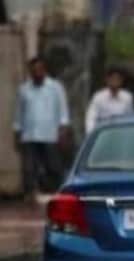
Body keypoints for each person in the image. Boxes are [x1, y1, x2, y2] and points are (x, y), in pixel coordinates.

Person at [12, 56, 70, 201]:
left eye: (39, 69)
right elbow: (19, 112)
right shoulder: (24, 89)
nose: (37, 72)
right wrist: (17, 131)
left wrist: (63, 129)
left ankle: (56, 192)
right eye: (34, 70)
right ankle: (30, 195)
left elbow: (63, 110)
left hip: (49, 133)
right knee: (29, 167)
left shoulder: (55, 87)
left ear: (45, 70)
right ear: (30, 71)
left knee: (53, 166)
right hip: (29, 134)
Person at [85, 67, 134, 133]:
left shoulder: (127, 97)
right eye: (112, 78)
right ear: (107, 80)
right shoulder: (98, 97)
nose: (115, 81)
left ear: (122, 81)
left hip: (121, 132)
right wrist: (91, 132)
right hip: (104, 132)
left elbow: (130, 117)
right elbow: (91, 118)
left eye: (118, 79)